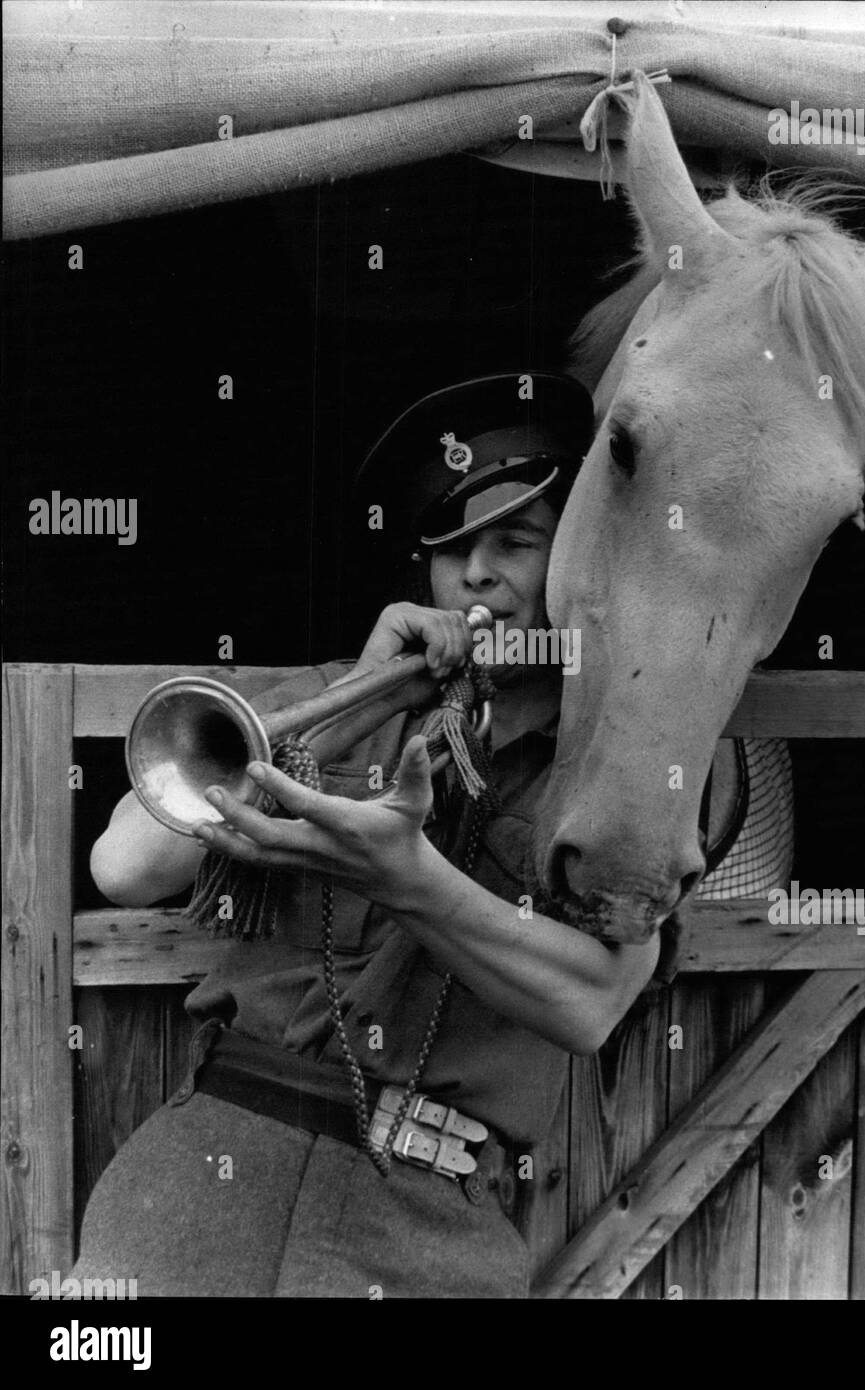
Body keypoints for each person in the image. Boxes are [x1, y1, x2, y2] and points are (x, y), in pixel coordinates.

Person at [75, 372, 666, 1299]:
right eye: (450, 549)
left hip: (429, 1230)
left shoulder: (623, 767)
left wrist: (404, 879)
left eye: (515, 542)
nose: (475, 575)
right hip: (198, 1180)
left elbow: (588, 1006)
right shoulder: (333, 694)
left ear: (585, 565)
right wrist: (355, 695)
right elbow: (124, 865)